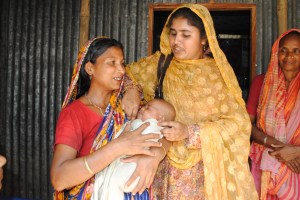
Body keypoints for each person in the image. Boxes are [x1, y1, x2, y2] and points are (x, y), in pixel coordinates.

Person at [122, 4, 258, 199]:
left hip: (201, 176)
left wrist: (189, 131)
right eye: (173, 33)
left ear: (204, 38)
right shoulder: (161, 63)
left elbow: (238, 124)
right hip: (159, 168)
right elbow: (125, 74)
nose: (177, 41)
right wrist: (132, 90)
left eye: (186, 35)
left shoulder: (218, 75)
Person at [50, 37, 166, 199]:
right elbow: (59, 179)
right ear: (90, 68)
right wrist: (117, 147)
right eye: (112, 62)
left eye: (122, 63)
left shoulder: (129, 107)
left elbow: (163, 133)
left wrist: (156, 155)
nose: (122, 70)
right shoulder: (75, 113)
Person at [249, 29, 300, 199]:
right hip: (266, 166)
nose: (288, 56)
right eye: (283, 50)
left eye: (296, 51)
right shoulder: (261, 83)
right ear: (276, 52)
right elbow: (245, 125)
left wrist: (295, 152)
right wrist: (280, 148)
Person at [93, 99, 176, 199]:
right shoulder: (140, 123)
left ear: (160, 119)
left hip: (134, 166)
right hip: (123, 161)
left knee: (114, 182)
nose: (142, 108)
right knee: (103, 180)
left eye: (147, 107)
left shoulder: (153, 127)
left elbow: (147, 141)